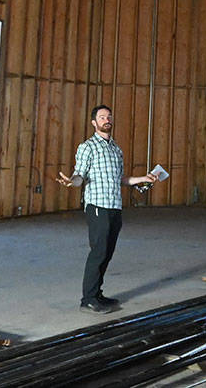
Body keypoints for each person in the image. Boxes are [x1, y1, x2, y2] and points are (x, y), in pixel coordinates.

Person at [57, 104, 158, 313]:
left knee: (107, 253)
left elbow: (120, 179)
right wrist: (72, 182)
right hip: (97, 207)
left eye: (109, 116)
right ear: (94, 123)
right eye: (102, 117)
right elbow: (79, 175)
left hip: (114, 206)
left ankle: (97, 294)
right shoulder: (88, 147)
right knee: (99, 252)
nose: (106, 120)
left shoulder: (116, 149)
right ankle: (88, 299)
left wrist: (142, 178)